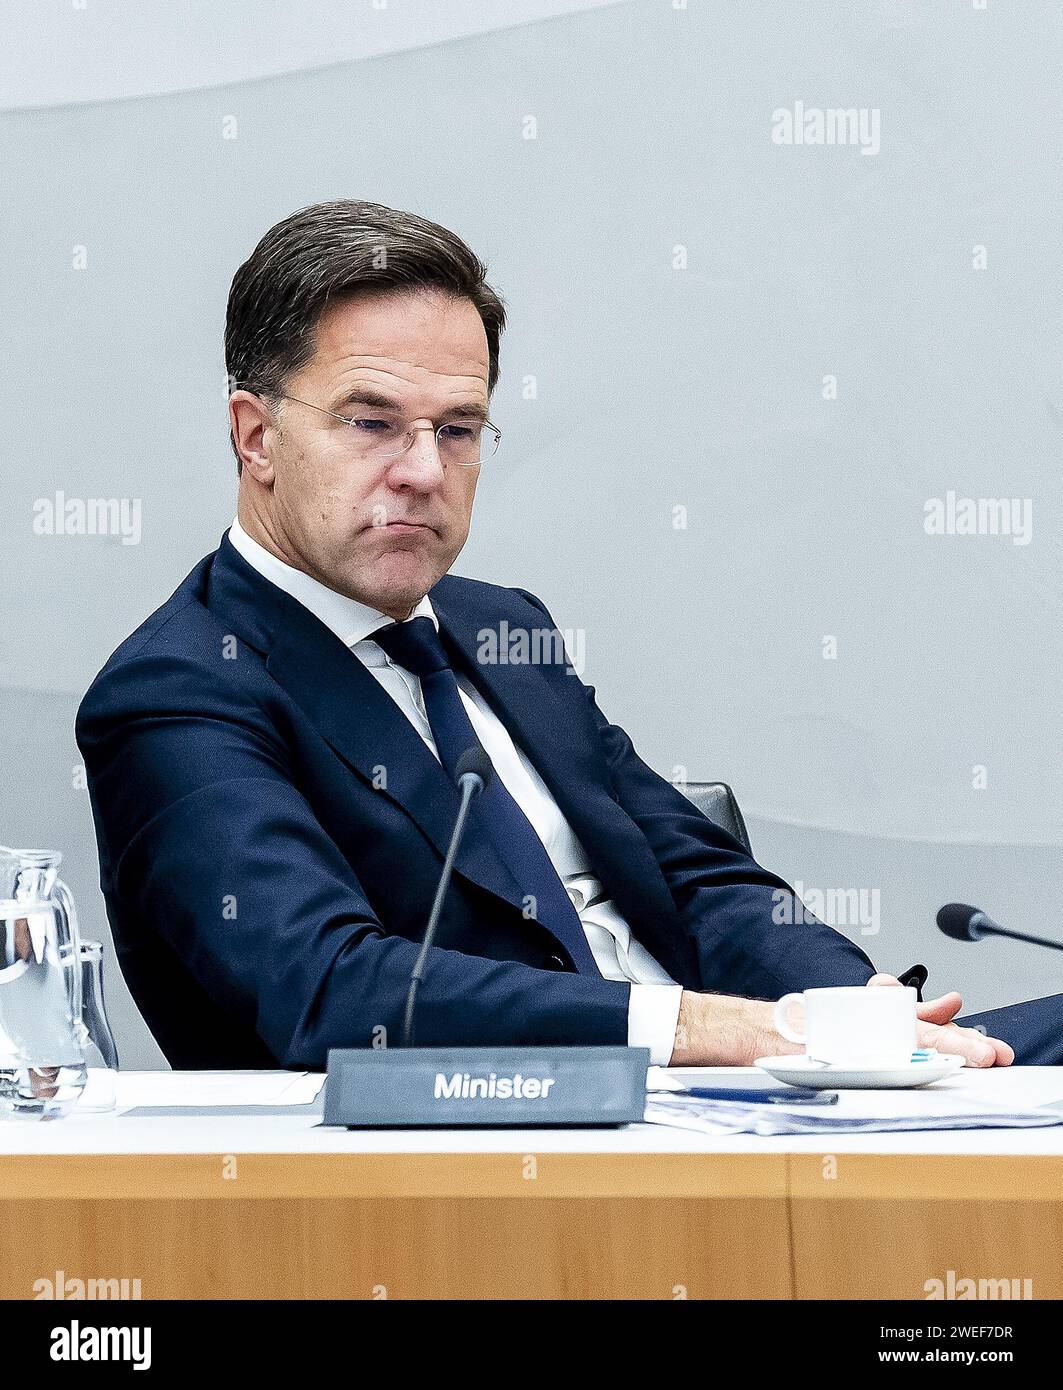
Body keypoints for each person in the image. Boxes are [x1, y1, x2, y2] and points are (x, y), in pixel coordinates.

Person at [76, 200, 1056, 1070]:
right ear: (255, 436)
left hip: (746, 1098)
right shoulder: (178, 691)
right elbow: (332, 989)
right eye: (373, 423)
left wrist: (850, 1010)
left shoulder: (500, 625)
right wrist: (709, 1030)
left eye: (457, 429)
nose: (423, 469)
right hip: (498, 1164)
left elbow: (692, 871)